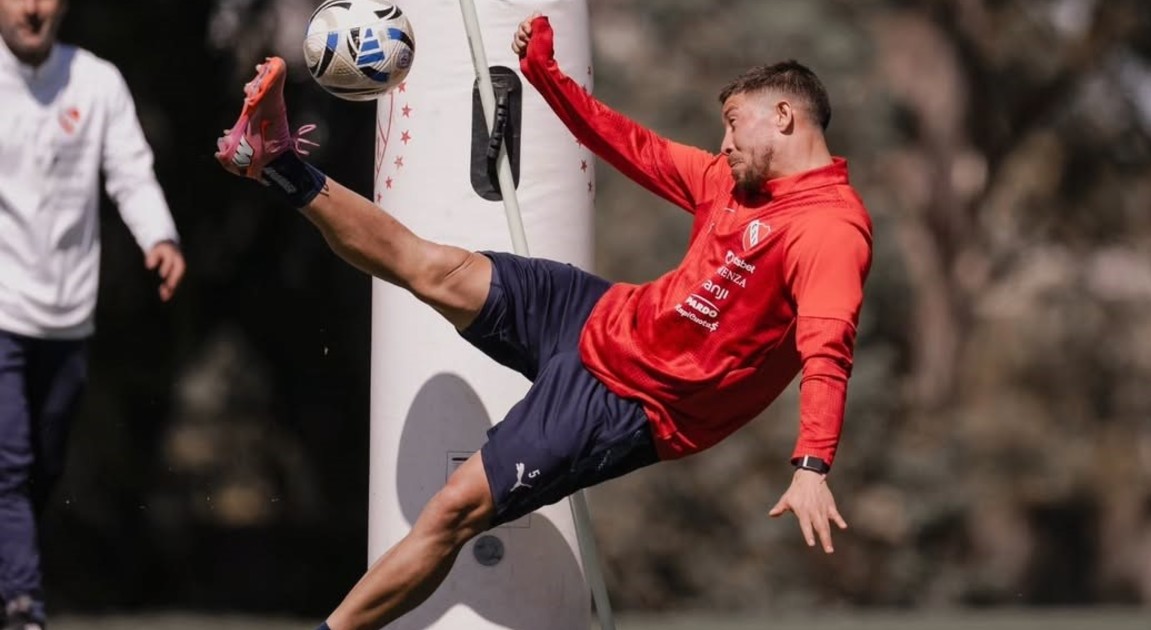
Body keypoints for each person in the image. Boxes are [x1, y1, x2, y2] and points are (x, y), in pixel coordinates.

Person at [215, 13, 870, 630]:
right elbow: (627, 143)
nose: (724, 143)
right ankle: (275, 160)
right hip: (594, 313)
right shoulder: (731, 182)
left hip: (630, 403)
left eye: (733, 124)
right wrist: (543, 73)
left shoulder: (830, 229)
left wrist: (812, 465)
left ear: (784, 117)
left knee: (451, 510)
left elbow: (827, 351)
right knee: (431, 266)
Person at [0, 1, 186, 628]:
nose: (32, 8)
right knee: (8, 463)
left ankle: (10, 581)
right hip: (1, 311)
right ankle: (23, 606)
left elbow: (131, 172)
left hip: (67, 315)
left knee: (41, 469)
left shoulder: (97, 82)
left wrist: (159, 237)